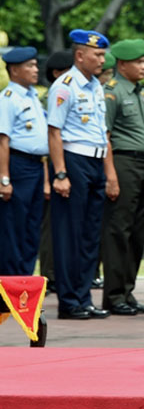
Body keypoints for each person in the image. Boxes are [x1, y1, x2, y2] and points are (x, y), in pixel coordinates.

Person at [47, 29, 110, 320]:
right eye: (97, 54)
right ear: (79, 55)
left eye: (103, 54)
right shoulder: (65, 86)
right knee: (69, 233)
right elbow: (54, 132)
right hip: (73, 160)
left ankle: (84, 298)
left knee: (89, 235)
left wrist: (108, 172)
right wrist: (60, 173)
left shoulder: (96, 85)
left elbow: (102, 131)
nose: (102, 59)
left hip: (95, 161)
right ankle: (69, 301)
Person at [100, 39, 144, 316]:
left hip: (143, 164)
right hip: (123, 162)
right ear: (122, 65)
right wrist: (111, 175)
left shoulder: (139, 91)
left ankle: (128, 290)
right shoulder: (113, 92)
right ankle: (114, 294)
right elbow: (105, 136)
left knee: (136, 232)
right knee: (118, 230)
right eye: (138, 62)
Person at [0, 47, 48, 275]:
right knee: (14, 229)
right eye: (29, 66)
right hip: (17, 166)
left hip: (36, 166)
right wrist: (4, 178)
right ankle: (12, 287)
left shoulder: (33, 97)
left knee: (31, 228)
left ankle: (25, 288)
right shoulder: (8, 99)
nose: (35, 69)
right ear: (14, 70)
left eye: (35, 65)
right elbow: (2, 141)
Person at [39, 50, 74, 289]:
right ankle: (49, 274)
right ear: (57, 73)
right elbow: (47, 140)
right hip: (46, 165)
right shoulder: (51, 98)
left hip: (59, 163)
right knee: (50, 225)